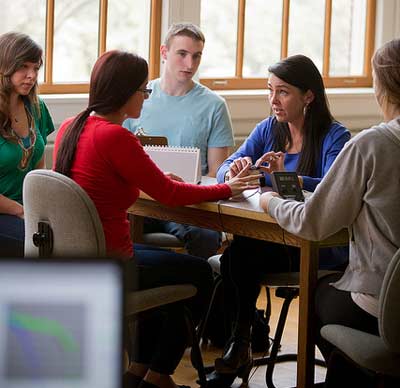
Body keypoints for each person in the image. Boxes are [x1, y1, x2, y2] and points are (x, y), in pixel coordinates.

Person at [53, 50, 258, 388]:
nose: (147, 99)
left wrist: (159, 178)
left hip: (84, 257)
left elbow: (114, 178)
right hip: (112, 261)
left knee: (172, 278)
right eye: (143, 91)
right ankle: (159, 375)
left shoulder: (72, 127)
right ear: (125, 93)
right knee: (199, 272)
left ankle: (138, 370)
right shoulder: (116, 136)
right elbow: (170, 195)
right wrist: (226, 188)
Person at [260, 39, 400, 387]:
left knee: (318, 293)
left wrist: (268, 201)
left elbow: (313, 223)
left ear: (379, 85)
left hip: (384, 303)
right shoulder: (271, 128)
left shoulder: (370, 145)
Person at [207, 54, 351, 387]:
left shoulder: (334, 136)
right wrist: (238, 170)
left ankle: (242, 344)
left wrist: (283, 178)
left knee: (238, 256)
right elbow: (225, 166)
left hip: (316, 245)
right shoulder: (268, 128)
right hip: (273, 238)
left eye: (283, 92)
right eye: (270, 90)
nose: (273, 100)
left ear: (309, 96)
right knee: (237, 254)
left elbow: (333, 188)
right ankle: (243, 339)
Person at [123, 22, 234, 259]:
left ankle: (198, 291)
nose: (190, 64)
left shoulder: (214, 106)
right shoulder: (137, 98)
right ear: (164, 53)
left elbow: (216, 173)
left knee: (205, 235)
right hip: (141, 202)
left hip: (188, 205)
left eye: (196, 56)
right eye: (182, 54)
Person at [0, 32, 55, 258]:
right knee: (48, 245)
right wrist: (23, 211)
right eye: (24, 67)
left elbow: (38, 171)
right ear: (5, 65)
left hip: (29, 210)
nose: (31, 75)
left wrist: (45, 210)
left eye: (36, 68)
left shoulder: (37, 107)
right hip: (9, 213)